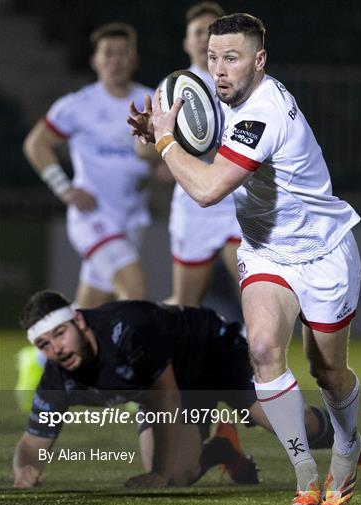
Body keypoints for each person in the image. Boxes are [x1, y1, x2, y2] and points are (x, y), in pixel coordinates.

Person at [128, 13, 361, 505]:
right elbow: (197, 146)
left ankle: (348, 445)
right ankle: (303, 471)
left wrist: (168, 141)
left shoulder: (265, 112)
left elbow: (208, 189)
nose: (218, 70)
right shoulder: (217, 95)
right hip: (266, 251)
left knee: (328, 372)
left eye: (231, 59)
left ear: (259, 60)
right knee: (261, 349)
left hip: (324, 253)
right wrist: (158, 136)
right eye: (213, 58)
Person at [13, 290, 361, 490]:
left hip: (215, 352)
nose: (56, 349)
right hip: (175, 389)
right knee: (178, 478)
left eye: (59, 335)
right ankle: (223, 449)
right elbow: (33, 442)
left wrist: (157, 471)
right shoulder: (58, 373)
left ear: (80, 322)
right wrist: (25, 468)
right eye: (44, 345)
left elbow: (166, 397)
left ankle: (359, 447)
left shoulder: (126, 330)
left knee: (295, 427)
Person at [23, 22, 153, 309]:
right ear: (95, 60)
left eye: (123, 53)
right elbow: (36, 144)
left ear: (134, 59)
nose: (116, 60)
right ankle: (132, 355)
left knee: (89, 309)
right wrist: (64, 188)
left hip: (131, 217)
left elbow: (157, 152)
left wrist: (162, 164)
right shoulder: (77, 105)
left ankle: (46, 355)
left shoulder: (152, 100)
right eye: (108, 53)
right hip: (93, 216)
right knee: (134, 290)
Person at [137, 2, 242, 307]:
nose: (203, 38)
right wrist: (162, 147)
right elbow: (143, 150)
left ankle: (254, 353)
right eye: (197, 32)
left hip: (237, 200)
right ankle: (150, 334)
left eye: (211, 31)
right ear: (186, 41)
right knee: (186, 304)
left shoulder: (241, 82)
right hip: (194, 202)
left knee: (255, 295)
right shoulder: (171, 88)